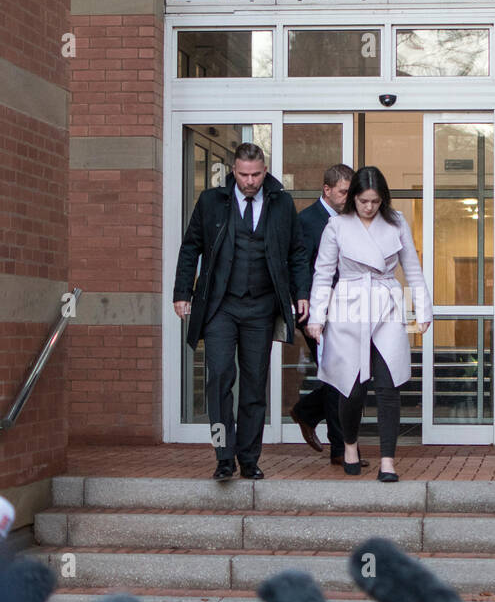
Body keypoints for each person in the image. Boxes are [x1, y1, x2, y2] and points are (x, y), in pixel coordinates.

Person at [173, 143, 310, 480]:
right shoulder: (211, 202)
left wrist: (302, 293)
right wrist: (181, 292)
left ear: (265, 171)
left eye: (256, 174)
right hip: (220, 306)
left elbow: (297, 252)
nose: (250, 181)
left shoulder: (281, 203)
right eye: (243, 174)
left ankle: (249, 459)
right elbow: (191, 247)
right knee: (218, 379)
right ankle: (223, 455)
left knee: (254, 384)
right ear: (233, 171)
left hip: (261, 307)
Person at [305, 166, 432, 482]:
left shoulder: (396, 221)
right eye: (363, 200)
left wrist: (424, 308)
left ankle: (388, 460)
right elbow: (323, 274)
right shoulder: (336, 226)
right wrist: (317, 318)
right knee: (353, 388)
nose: (369, 207)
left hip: (387, 302)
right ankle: (349, 444)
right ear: (353, 198)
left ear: (383, 199)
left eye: (375, 201)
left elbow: (412, 268)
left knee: (389, 387)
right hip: (349, 305)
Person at [289, 164, 366, 467]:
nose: (349, 198)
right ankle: (341, 450)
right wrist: (306, 308)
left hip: (350, 311)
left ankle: (307, 411)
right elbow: (301, 266)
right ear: (327, 190)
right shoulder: (308, 221)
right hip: (320, 313)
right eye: (344, 192)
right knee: (338, 380)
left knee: (353, 377)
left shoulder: (351, 220)